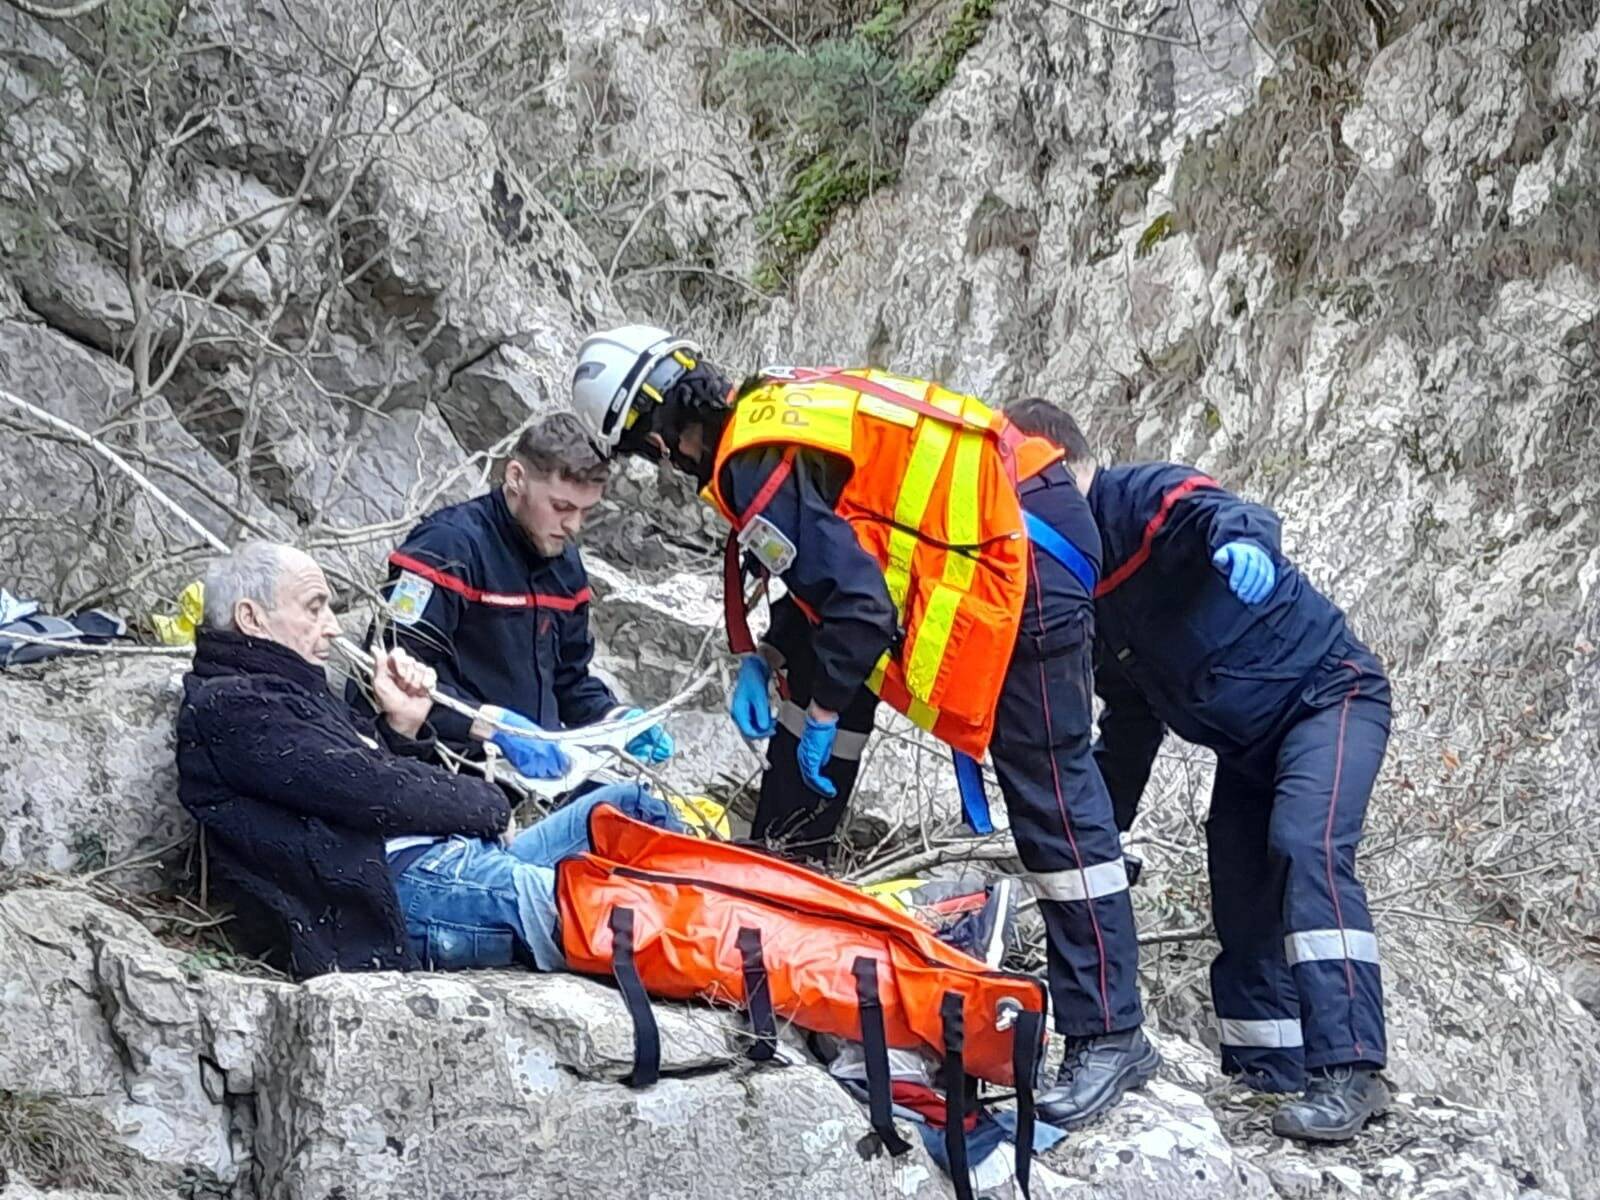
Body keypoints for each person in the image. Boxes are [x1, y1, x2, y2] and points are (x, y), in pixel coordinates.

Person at [568, 326, 1157, 1128]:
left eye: (648, 450)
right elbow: (844, 561)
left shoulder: (751, 461)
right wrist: (774, 654)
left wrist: (814, 716)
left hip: (1021, 554)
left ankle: (1111, 1032)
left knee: (1051, 796)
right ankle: (781, 877)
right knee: (820, 679)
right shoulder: (774, 409)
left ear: (661, 434)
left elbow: (858, 606)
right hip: (1022, 518)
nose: (663, 465)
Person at [1002, 398, 1391, 1144]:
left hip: (1329, 695)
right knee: (1242, 894)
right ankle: (1265, 1075)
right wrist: (1099, 830)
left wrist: (1245, 545)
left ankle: (1352, 1073)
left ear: (1059, 464)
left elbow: (1221, 510)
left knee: (1307, 846)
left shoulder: (1138, 498)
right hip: (1248, 744)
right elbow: (1132, 722)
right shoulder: (1084, 576)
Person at [176, 540, 683, 979]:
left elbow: (359, 780)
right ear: (251, 618)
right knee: (581, 903)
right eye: (314, 608)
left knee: (630, 807)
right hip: (396, 893)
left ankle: (730, 898)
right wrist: (488, 805)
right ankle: (737, 945)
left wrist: (403, 727)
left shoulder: (291, 690)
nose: (331, 628)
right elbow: (363, 790)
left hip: (447, 861)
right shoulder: (230, 706)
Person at [351, 411, 674, 784]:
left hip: (534, 781)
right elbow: (382, 677)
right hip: (442, 769)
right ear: (516, 478)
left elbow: (569, 680)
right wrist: (490, 724)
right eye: (561, 507)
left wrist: (616, 721)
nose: (574, 526)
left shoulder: (566, 565)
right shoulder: (447, 549)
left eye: (586, 511)